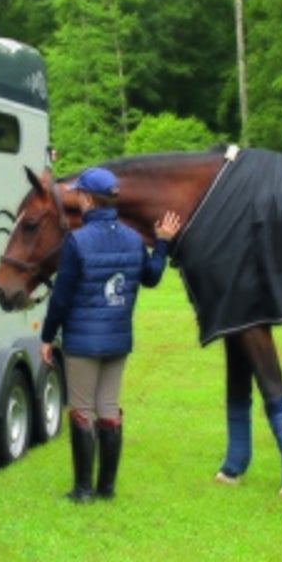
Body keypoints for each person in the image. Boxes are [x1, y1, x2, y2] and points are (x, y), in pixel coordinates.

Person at [39, 166, 182, 503]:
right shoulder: (133, 239)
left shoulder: (77, 241)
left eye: (80, 195)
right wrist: (162, 243)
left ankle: (83, 491)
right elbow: (151, 277)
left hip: (82, 342)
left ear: (88, 200)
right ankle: (106, 489)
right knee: (108, 408)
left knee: (82, 411)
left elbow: (61, 298)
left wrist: (47, 336)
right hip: (118, 339)